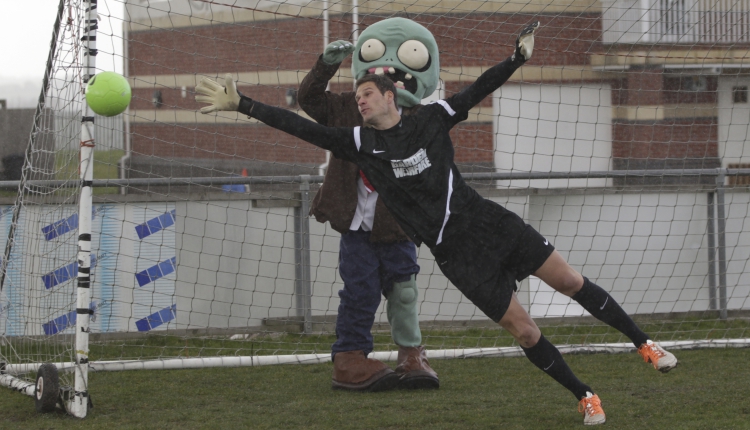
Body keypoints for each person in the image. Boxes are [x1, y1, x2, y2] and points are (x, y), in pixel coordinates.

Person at [195, 22, 678, 425]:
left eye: (367, 94)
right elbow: (301, 126)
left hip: (491, 224)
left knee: (570, 281)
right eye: (358, 95)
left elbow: (479, 89)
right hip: (457, 256)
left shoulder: (432, 118)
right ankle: (585, 396)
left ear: (390, 95)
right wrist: (243, 104)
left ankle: (645, 345)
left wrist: (515, 59)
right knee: (525, 331)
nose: (360, 101)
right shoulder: (360, 144)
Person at [296, 17, 442, 392]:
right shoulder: (349, 108)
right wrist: (325, 66)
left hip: (398, 224)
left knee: (404, 289)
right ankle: (349, 357)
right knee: (359, 290)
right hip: (356, 224)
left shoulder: (420, 120)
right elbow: (308, 100)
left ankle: (412, 354)